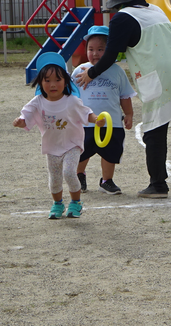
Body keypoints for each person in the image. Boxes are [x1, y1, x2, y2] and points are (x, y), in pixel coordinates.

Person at [76, 0, 171, 197]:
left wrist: (91, 73)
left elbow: (111, 54)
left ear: (117, 3)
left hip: (160, 79)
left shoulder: (121, 19)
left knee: (154, 132)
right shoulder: (156, 10)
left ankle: (158, 184)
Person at [13, 53, 103, 219]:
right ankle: (58, 204)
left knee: (69, 172)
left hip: (72, 144)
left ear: (66, 81)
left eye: (57, 80)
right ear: (40, 82)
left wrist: (96, 119)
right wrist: (21, 121)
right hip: (52, 147)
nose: (53, 85)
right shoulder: (38, 101)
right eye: (47, 81)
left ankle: (76, 202)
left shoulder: (71, 101)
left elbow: (86, 113)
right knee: (54, 179)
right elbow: (26, 114)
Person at [71, 26, 136, 195]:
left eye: (101, 49)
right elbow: (71, 96)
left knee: (110, 153)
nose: (95, 53)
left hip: (111, 122)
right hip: (85, 122)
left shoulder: (117, 72)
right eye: (91, 49)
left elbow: (125, 96)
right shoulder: (79, 71)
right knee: (82, 151)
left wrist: (128, 114)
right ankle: (79, 175)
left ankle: (107, 180)